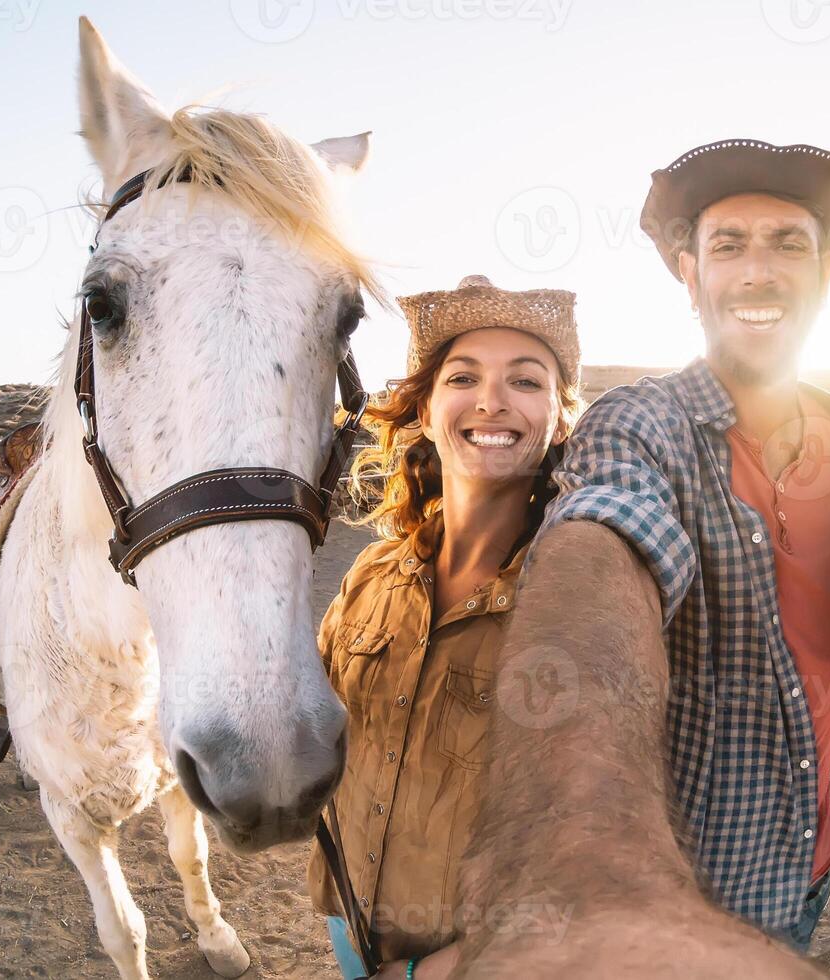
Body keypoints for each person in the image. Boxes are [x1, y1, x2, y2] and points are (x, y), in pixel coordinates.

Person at [464, 139, 830, 958]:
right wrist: (587, 863)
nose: (758, 271)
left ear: (825, 275)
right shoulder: (640, 426)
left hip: (809, 861)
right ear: (689, 276)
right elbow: (600, 548)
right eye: (727, 245)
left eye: (788, 243)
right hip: (681, 893)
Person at [307, 275, 582, 978]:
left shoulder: (575, 603)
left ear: (557, 420)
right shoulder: (370, 574)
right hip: (350, 917)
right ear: (426, 411)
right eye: (463, 377)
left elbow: (595, 845)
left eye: (525, 381)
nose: (491, 400)